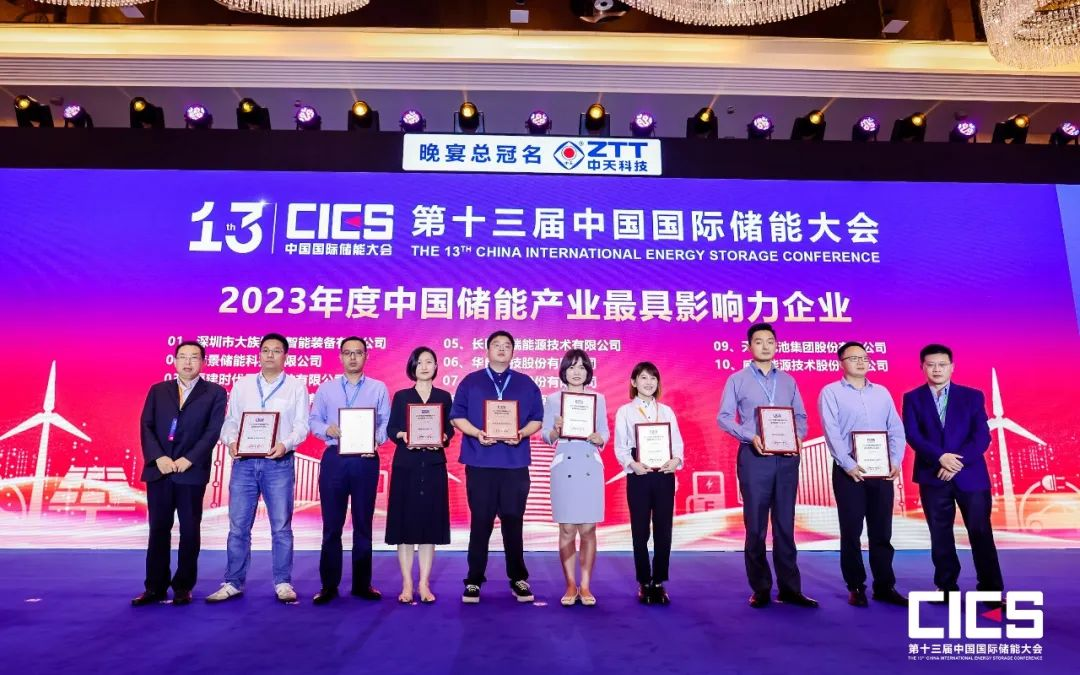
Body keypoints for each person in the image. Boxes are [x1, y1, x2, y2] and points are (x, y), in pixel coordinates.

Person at [718, 322, 817, 608]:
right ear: (749, 346)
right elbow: (724, 417)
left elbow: (801, 416)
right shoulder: (737, 379)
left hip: (786, 459)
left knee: (785, 524)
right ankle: (761, 588)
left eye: (770, 341)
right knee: (756, 527)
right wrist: (750, 436)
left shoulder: (788, 380)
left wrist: (798, 437)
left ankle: (790, 589)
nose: (765, 346)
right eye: (759, 341)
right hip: (754, 456)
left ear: (776, 345)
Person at [208, 332, 310, 604]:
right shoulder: (242, 385)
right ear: (259, 354)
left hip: (279, 463)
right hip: (244, 464)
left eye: (276, 350)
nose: (270, 355)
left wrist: (285, 444)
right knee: (238, 527)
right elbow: (230, 421)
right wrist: (231, 441)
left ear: (285, 356)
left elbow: (302, 425)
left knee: (281, 527)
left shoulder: (296, 387)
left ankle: (283, 582)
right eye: (265, 350)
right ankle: (233, 582)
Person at [902, 344, 1004, 603]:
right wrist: (940, 458)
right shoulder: (913, 398)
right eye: (931, 365)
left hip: (970, 476)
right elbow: (913, 435)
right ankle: (946, 587)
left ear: (952, 367)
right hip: (932, 475)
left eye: (942, 364)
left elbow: (981, 437)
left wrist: (956, 463)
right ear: (922, 367)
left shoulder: (972, 396)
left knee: (980, 531)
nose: (936, 369)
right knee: (940, 533)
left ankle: (991, 590)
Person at [450, 330, 544, 604]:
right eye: (496, 345)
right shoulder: (471, 381)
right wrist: (477, 433)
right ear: (487, 350)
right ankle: (473, 580)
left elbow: (537, 419)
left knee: (513, 522)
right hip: (480, 462)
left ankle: (518, 578)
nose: (501, 349)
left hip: (514, 464)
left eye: (506, 346)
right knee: (480, 522)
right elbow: (457, 416)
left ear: (513, 352)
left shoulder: (526, 383)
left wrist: (521, 433)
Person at [133, 340, 227, 606]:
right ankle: (155, 587)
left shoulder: (215, 393)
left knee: (190, 530)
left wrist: (189, 459)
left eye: (194, 357)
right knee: (158, 529)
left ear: (203, 362)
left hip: (191, 471)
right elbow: (146, 426)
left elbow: (213, 431)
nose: (188, 362)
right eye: (183, 356)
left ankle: (183, 586)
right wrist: (159, 457)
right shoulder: (158, 390)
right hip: (160, 470)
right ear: (174, 361)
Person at [818, 341, 908, 607]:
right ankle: (856, 585)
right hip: (849, 472)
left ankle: (885, 586)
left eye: (864, 358)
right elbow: (832, 432)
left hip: (881, 472)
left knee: (882, 531)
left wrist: (895, 460)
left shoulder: (881, 393)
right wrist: (848, 464)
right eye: (853, 358)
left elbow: (896, 429)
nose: (861, 362)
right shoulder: (831, 392)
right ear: (841, 363)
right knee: (851, 531)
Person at [308, 336, 391, 605]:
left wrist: (375, 439)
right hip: (335, 458)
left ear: (366, 356)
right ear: (340, 357)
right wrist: (327, 429)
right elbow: (314, 420)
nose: (353, 357)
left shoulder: (378, 388)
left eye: (358, 353)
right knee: (332, 525)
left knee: (363, 524)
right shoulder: (326, 389)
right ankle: (329, 585)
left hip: (366, 458)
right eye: (347, 353)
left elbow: (385, 423)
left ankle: (362, 584)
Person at [385, 346, 455, 604]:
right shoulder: (402, 396)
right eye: (420, 362)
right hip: (407, 465)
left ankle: (424, 584)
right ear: (412, 367)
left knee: (429, 527)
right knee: (405, 528)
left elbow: (449, 430)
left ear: (436, 366)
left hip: (434, 466)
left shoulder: (443, 396)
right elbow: (392, 429)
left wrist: (444, 436)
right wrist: (404, 435)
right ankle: (407, 584)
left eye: (429, 362)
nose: (424, 366)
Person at [542, 348, 609, 607]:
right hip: (565, 465)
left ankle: (586, 585)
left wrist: (600, 438)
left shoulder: (598, 399)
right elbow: (545, 435)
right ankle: (570, 584)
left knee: (589, 529)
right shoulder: (553, 399)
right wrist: (555, 430)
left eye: (581, 367)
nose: (577, 372)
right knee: (568, 529)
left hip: (589, 463)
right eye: (572, 367)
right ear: (564, 371)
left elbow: (604, 432)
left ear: (588, 371)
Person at [613, 361, 683, 605]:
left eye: (653, 378)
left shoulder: (666, 411)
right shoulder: (625, 411)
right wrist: (632, 464)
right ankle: (644, 581)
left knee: (664, 529)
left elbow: (677, 443)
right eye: (643, 377)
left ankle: (659, 581)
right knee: (640, 529)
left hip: (664, 473)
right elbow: (620, 446)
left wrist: (676, 460)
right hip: (639, 474)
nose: (649, 382)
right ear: (634, 382)